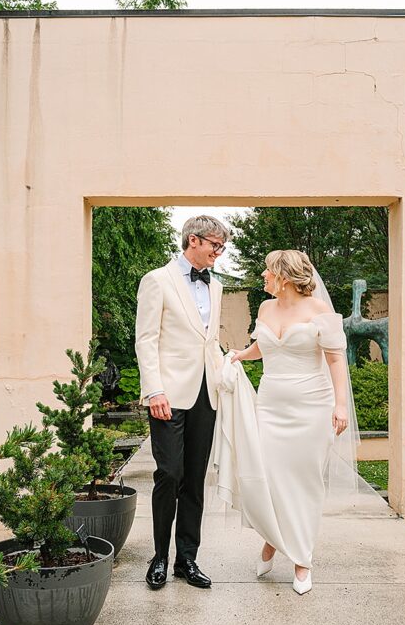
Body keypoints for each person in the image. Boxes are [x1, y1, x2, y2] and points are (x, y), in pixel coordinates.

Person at [217, 249, 354, 595]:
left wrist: (340, 405)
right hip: (271, 407)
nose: (263, 276)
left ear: (284, 276)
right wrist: (238, 355)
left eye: (267, 272)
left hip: (311, 407)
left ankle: (302, 560)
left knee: (304, 483)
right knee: (269, 479)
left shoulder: (319, 311)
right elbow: (263, 347)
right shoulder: (265, 309)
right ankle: (272, 539)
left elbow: (336, 360)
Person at [134, 215, 230, 590]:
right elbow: (146, 340)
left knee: (194, 480)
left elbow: (208, 342)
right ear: (194, 240)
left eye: (221, 247)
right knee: (169, 474)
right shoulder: (157, 280)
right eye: (215, 246)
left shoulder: (216, 287)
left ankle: (186, 559)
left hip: (207, 394)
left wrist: (227, 368)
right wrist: (153, 390)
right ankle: (159, 556)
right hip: (168, 395)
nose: (218, 254)